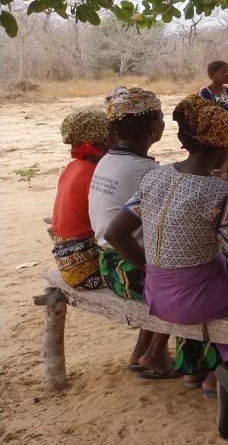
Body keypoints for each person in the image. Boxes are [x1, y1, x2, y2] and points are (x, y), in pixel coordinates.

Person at [105, 95, 228, 435]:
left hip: (156, 294)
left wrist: (152, 268)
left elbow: (115, 234)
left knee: (227, 277)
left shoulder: (155, 179)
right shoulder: (219, 193)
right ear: (223, 148)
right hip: (196, 300)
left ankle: (214, 371)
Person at [88, 87, 172, 378]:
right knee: (184, 276)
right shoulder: (144, 172)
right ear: (153, 128)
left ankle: (142, 353)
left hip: (107, 265)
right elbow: (117, 234)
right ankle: (158, 355)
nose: (163, 124)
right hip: (127, 271)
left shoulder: (108, 160)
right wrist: (151, 269)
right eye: (161, 119)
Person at [49, 108, 114, 290]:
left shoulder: (73, 167)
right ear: (103, 141)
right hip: (85, 270)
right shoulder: (96, 175)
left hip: (67, 262)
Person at [200, 60, 228, 188]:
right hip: (212, 132)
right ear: (212, 75)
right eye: (224, 72)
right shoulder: (204, 93)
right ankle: (215, 189)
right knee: (216, 160)